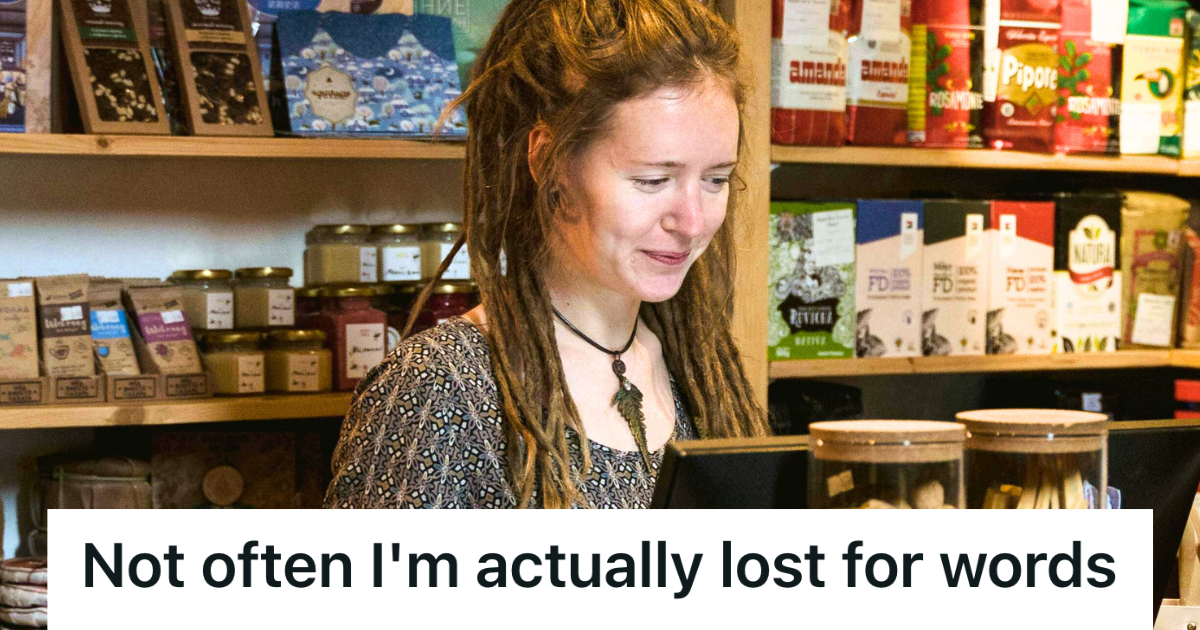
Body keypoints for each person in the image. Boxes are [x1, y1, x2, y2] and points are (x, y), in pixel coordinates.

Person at [324, 0, 769, 509]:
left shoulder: (700, 367)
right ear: (547, 160)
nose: (692, 221)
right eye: (653, 180)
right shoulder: (440, 387)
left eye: (716, 180)